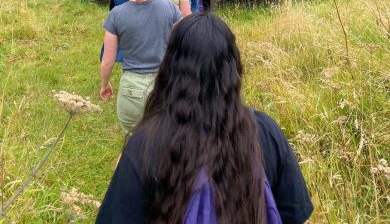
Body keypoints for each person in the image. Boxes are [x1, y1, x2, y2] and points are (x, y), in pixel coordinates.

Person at [96, 14, 314, 224]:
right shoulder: (265, 131)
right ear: (233, 67)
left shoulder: (145, 144)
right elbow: (294, 214)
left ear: (170, 67)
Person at [100, 0, 182, 136]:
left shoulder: (116, 15)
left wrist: (104, 84)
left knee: (133, 143)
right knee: (165, 141)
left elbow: (107, 61)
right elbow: (181, 47)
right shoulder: (171, 9)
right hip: (165, 84)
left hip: (132, 89)